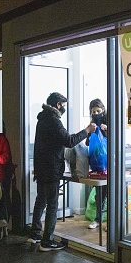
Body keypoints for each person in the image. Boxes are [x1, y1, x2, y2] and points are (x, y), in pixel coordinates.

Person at [30, 92, 96, 251]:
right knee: (52, 204)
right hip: (51, 169)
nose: (65, 108)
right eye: (64, 105)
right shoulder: (54, 121)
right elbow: (69, 141)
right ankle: (47, 241)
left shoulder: (42, 120)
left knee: (41, 200)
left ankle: (34, 234)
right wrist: (86, 130)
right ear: (58, 104)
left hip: (41, 168)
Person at [86, 98, 108, 230]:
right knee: (99, 193)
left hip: (109, 164)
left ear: (103, 110)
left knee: (110, 193)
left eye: (98, 111)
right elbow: (88, 144)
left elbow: (115, 140)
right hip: (96, 165)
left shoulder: (109, 121)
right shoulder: (92, 123)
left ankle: (111, 220)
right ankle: (98, 218)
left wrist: (106, 131)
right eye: (93, 111)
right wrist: (89, 132)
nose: (96, 113)